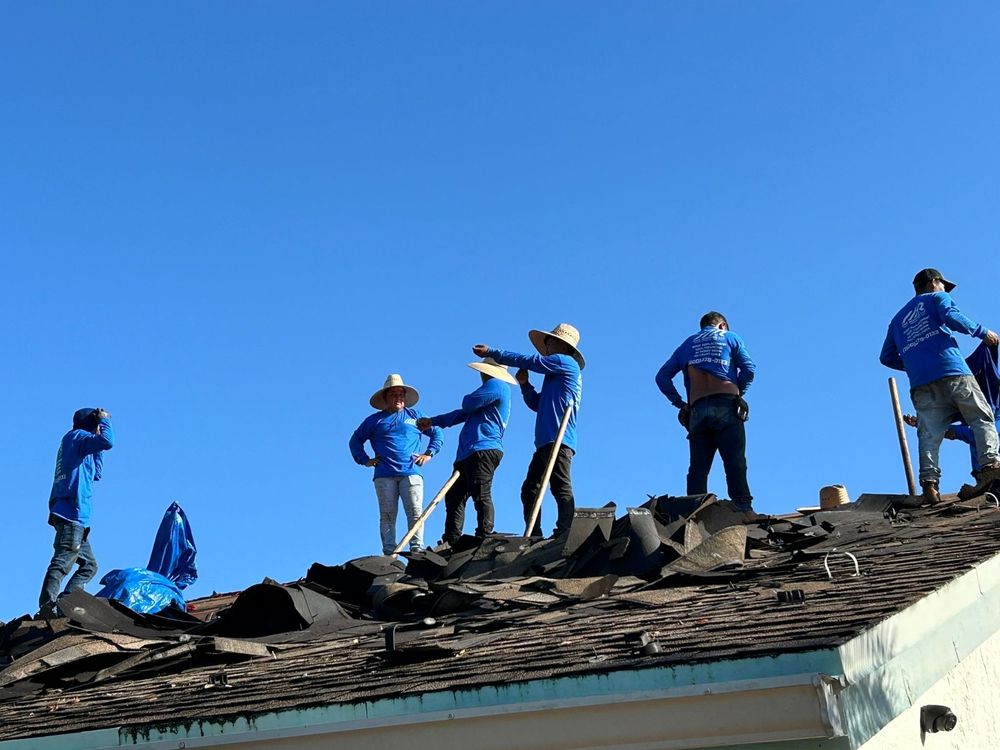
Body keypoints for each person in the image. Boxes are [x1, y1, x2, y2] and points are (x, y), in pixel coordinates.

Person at [880, 268, 1000, 503]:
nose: (945, 289)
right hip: (952, 370)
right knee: (981, 416)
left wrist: (916, 364)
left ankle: (930, 487)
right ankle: (990, 466)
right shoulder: (937, 298)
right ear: (935, 282)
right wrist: (983, 333)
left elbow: (886, 357)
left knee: (929, 435)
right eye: (943, 284)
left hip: (921, 383)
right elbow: (951, 316)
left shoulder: (897, 320)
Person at [473, 323, 584, 538]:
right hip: (546, 441)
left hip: (559, 439)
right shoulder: (554, 375)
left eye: (550, 341)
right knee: (530, 490)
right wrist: (525, 385)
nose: (547, 345)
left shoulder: (566, 362)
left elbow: (530, 361)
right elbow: (538, 404)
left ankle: (566, 531)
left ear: (561, 344)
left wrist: (494, 353)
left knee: (560, 486)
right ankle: (535, 534)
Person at [656, 311, 756, 511]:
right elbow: (749, 369)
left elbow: (662, 377)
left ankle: (694, 511)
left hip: (697, 410)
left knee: (698, 469)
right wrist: (738, 393)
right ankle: (743, 508)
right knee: (734, 461)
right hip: (725, 404)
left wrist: (681, 404)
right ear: (721, 325)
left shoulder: (687, 344)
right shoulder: (729, 337)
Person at [416, 358, 516, 545]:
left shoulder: (497, 385)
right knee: (455, 497)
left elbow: (468, 404)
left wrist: (465, 401)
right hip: (469, 453)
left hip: (483, 449)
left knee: (480, 491)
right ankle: (451, 539)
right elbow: (462, 414)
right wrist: (434, 421)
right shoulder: (488, 398)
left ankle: (484, 533)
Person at [350, 374, 444, 554]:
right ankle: (389, 554)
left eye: (401, 394)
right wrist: (365, 460)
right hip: (384, 474)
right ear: (386, 397)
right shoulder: (374, 420)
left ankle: (417, 550)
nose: (398, 397)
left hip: (411, 471)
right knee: (387, 515)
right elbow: (355, 441)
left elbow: (437, 433)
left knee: (415, 512)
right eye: (394, 394)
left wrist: (428, 453)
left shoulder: (415, 416)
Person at [39, 407, 115, 616]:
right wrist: (105, 421)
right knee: (63, 561)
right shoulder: (77, 438)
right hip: (71, 512)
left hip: (75, 516)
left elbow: (97, 474)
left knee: (89, 566)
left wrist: (97, 442)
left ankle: (66, 601)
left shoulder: (79, 445)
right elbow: (109, 441)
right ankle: (48, 607)